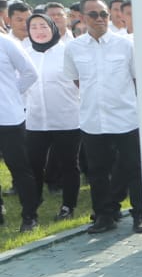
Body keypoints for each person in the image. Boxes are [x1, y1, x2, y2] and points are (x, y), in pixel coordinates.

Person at [63, 0, 142, 234]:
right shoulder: (74, 48)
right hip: (93, 120)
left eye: (104, 14)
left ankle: (140, 214)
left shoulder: (125, 45)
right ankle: (105, 215)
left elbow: (137, 78)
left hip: (126, 117)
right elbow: (77, 79)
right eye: (94, 15)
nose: (100, 19)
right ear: (83, 18)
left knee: (133, 167)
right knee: (97, 172)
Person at [23, 12, 82, 221]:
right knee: (34, 164)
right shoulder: (25, 53)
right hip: (36, 121)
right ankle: (32, 206)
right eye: (34, 27)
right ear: (28, 31)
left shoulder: (68, 51)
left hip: (67, 119)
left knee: (68, 164)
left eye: (43, 26)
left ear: (53, 28)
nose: (39, 31)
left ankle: (68, 205)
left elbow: (81, 82)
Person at [0, 22, 39, 230]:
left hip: (9, 118)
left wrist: (13, 95)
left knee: (19, 168)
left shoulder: (6, 43)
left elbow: (30, 73)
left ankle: (30, 216)